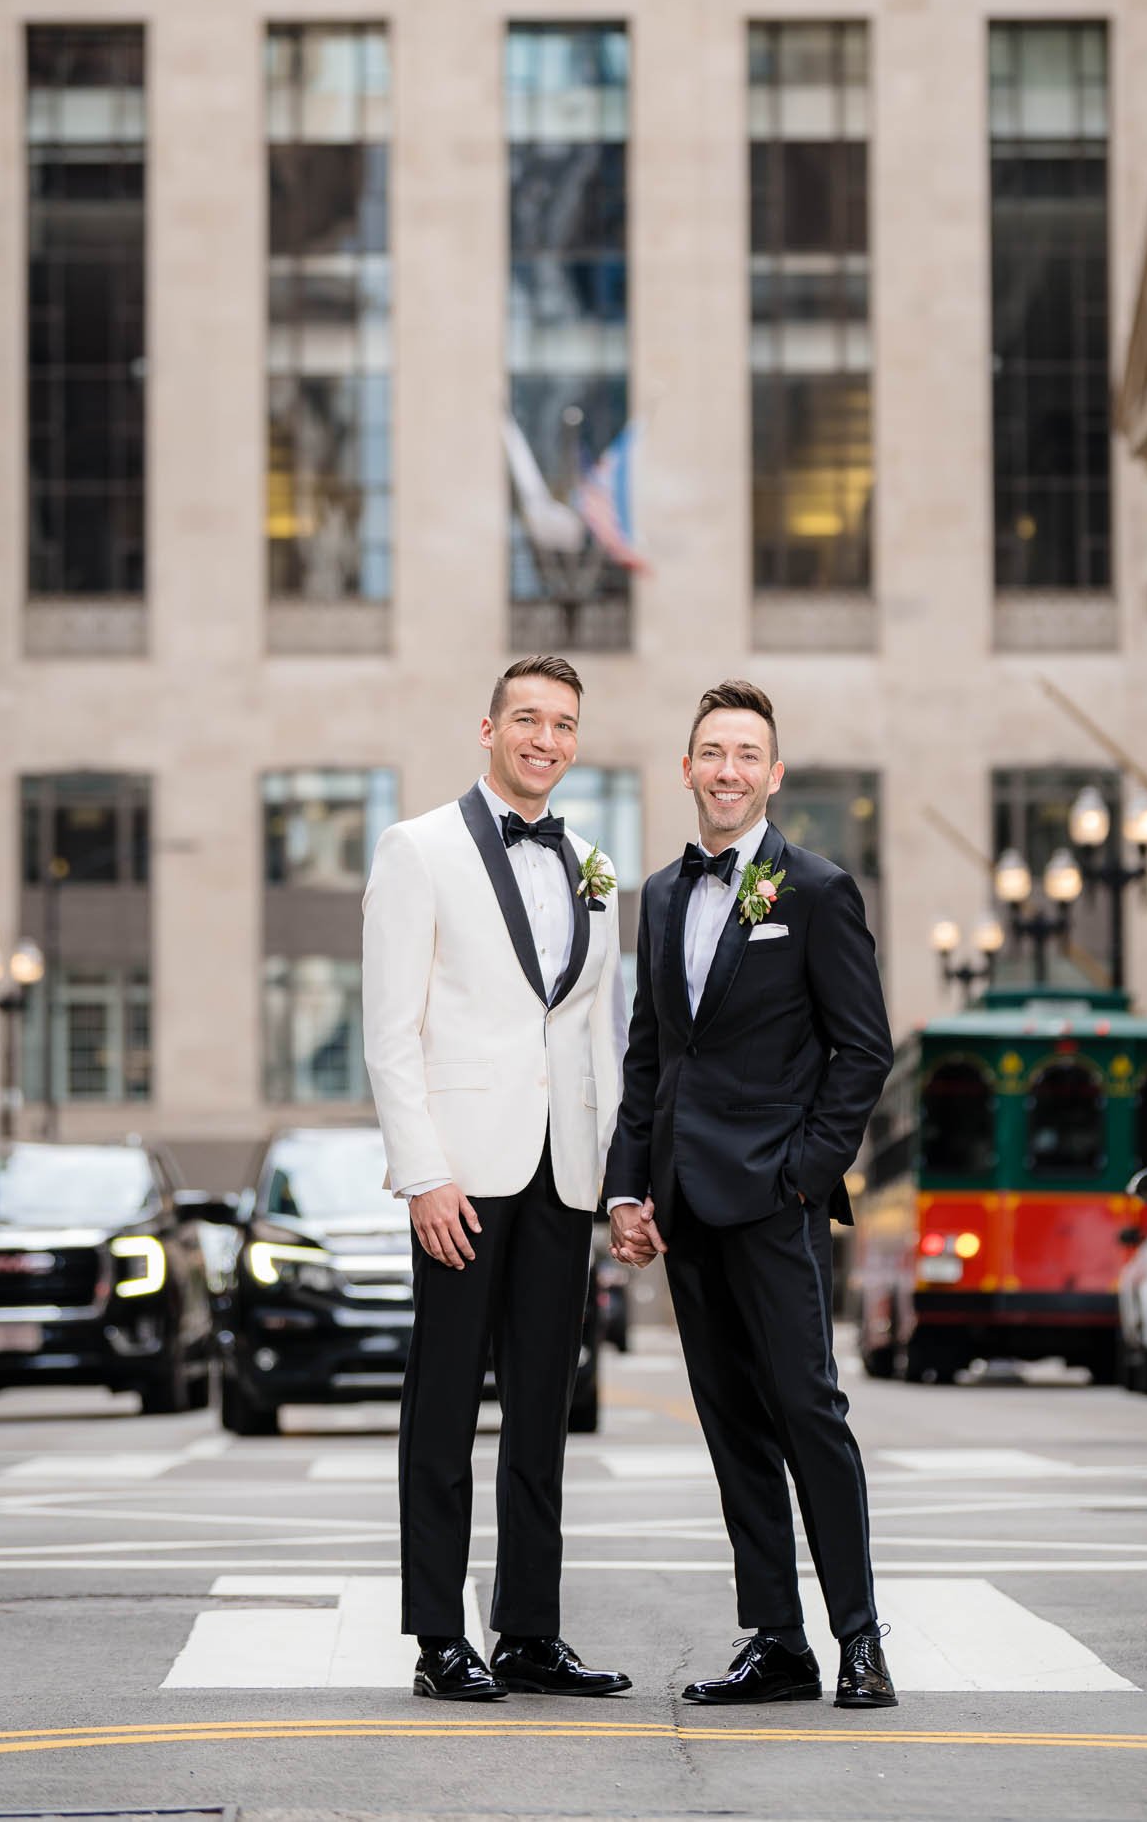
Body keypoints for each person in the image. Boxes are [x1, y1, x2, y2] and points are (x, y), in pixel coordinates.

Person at [606, 678, 897, 1711]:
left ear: (772, 775)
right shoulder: (660, 893)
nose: (726, 770)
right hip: (685, 1209)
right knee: (731, 1426)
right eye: (710, 752)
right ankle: (778, 1641)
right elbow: (652, 1055)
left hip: (774, 1206)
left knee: (808, 1413)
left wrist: (802, 1176)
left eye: (746, 754)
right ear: (687, 768)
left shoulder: (811, 888)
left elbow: (861, 1051)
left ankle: (858, 1639)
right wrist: (626, 1191)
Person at [363, 653, 630, 1704]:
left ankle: (527, 1629)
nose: (545, 739)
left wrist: (617, 1178)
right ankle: (438, 1633)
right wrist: (423, 1174)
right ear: (488, 730)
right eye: (526, 719)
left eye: (562, 724)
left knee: (540, 1409)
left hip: (563, 1173)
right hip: (462, 1180)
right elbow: (391, 1034)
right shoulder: (416, 848)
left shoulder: (594, 866)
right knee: (442, 1411)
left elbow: (594, 1036)